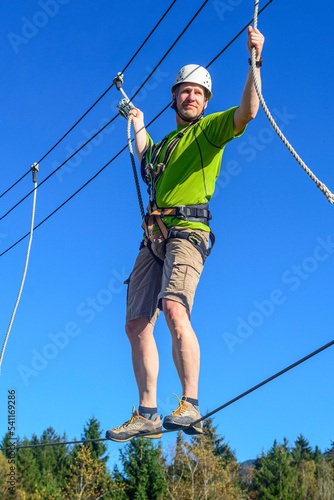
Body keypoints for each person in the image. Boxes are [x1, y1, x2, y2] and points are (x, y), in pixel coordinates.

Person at [106, 26, 265, 442]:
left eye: (198, 92)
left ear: (206, 100)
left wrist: (254, 59)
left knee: (175, 309)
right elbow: (145, 156)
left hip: (188, 232)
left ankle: (190, 404)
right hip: (153, 237)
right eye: (184, 91)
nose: (191, 96)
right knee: (137, 324)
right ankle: (148, 413)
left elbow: (247, 111)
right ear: (174, 97)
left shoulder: (208, 132)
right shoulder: (163, 149)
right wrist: (137, 121)